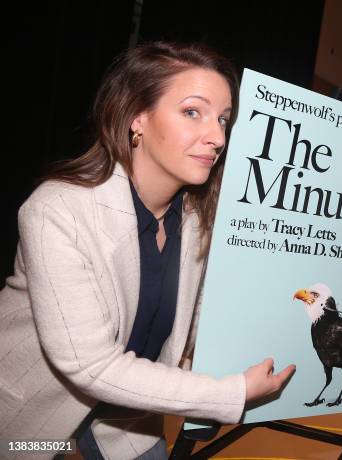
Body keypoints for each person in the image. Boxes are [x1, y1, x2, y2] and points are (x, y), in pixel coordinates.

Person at [0, 41, 295, 459]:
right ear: (137, 117)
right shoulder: (57, 210)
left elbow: (189, 341)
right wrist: (231, 393)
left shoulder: (197, 221)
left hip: (127, 423)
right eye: (193, 112)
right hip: (30, 421)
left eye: (224, 119)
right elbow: (90, 365)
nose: (216, 137)